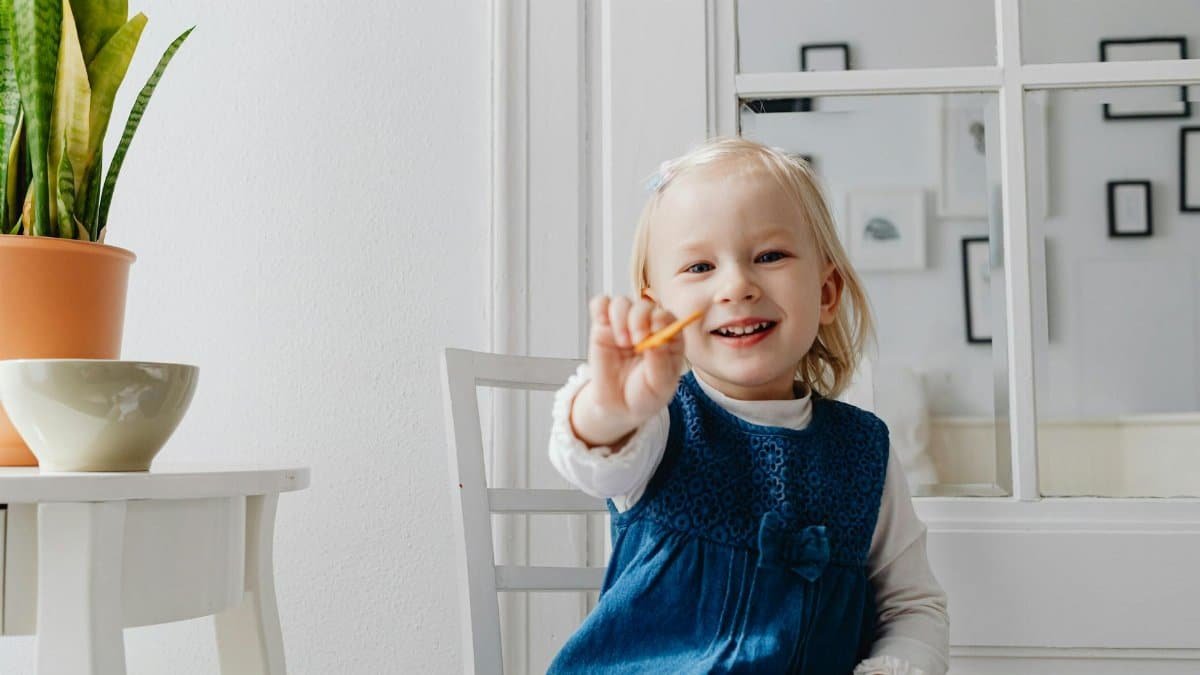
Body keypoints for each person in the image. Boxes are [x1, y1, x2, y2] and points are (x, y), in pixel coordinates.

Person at [545, 137, 949, 674]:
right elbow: (594, 459)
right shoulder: (659, 422)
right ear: (657, 307)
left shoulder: (863, 447)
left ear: (826, 292)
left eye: (769, 256)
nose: (737, 286)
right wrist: (610, 407)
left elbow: (912, 605)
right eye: (698, 268)